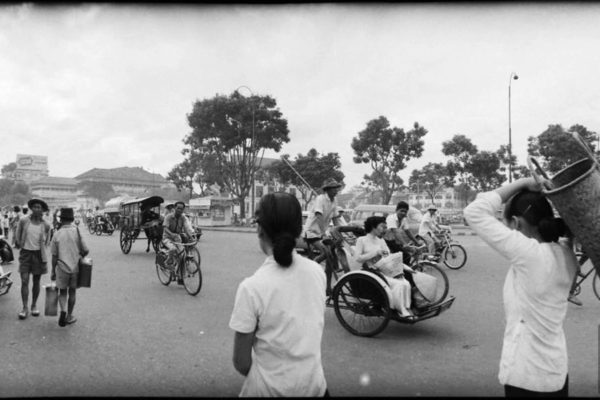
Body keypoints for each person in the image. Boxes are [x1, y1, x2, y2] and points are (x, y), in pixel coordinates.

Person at [464, 177, 578, 397]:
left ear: (517, 223)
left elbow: (474, 212)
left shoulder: (528, 253)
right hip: (557, 373)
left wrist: (524, 182)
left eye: (509, 225)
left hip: (527, 376)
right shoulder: (566, 254)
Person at [229, 192, 328, 397]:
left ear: (259, 229)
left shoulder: (252, 288)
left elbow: (241, 362)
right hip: (315, 387)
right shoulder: (318, 272)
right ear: (299, 231)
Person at [355, 216, 415, 318]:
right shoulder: (362, 240)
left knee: (406, 283)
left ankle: (406, 307)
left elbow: (390, 257)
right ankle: (399, 309)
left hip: (386, 268)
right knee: (398, 284)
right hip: (372, 271)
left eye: (385, 227)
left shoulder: (381, 241)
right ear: (373, 227)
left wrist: (405, 267)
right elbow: (358, 258)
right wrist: (375, 253)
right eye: (382, 227)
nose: (385, 230)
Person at [303, 177, 344, 296]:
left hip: (322, 232)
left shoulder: (334, 201)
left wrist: (339, 233)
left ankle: (327, 288)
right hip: (312, 232)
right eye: (333, 188)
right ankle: (308, 270)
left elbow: (336, 218)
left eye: (337, 188)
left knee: (331, 254)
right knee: (327, 253)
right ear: (327, 190)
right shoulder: (320, 199)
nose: (336, 190)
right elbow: (319, 216)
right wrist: (323, 233)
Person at [50, 208, 89, 327]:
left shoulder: (57, 233)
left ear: (61, 220)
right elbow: (86, 250)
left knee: (62, 292)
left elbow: (54, 256)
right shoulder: (77, 231)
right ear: (71, 219)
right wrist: (79, 256)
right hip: (75, 268)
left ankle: (62, 311)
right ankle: (69, 316)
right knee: (72, 293)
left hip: (62, 267)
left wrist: (53, 271)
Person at [14, 198, 52, 320]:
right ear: (31, 208)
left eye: (39, 207)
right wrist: (19, 243)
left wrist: (43, 248)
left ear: (42, 210)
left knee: (36, 281)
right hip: (25, 254)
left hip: (38, 255)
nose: (36, 209)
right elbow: (18, 234)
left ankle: (34, 305)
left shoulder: (46, 224)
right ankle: (25, 307)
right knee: (24, 280)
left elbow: (48, 240)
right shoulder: (24, 220)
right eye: (34, 206)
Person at [384, 201, 422, 265]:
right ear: (396, 210)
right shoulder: (391, 218)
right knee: (405, 256)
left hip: (395, 241)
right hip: (387, 241)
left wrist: (416, 242)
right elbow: (396, 232)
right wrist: (404, 244)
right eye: (401, 211)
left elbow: (408, 232)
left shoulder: (403, 219)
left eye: (405, 211)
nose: (403, 213)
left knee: (406, 255)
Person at [161, 201, 194, 272]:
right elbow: (165, 228)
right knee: (173, 249)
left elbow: (186, 229)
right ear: (175, 208)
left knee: (183, 255)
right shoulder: (168, 217)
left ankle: (180, 275)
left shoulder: (183, 218)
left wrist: (191, 237)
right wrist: (172, 234)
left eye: (181, 209)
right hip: (167, 238)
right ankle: (167, 263)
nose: (179, 210)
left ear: (183, 210)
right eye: (178, 208)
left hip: (177, 239)